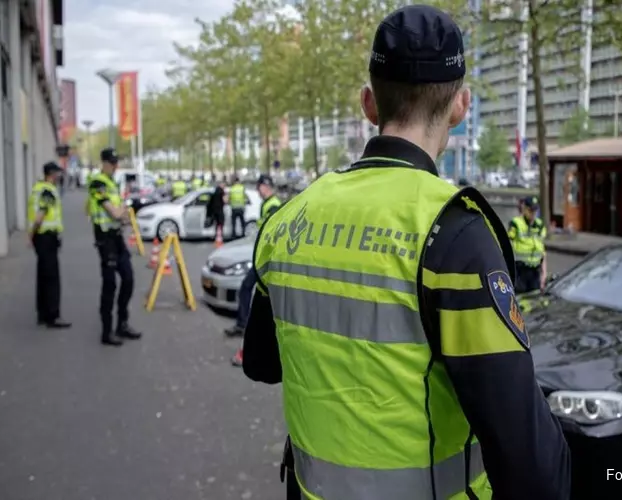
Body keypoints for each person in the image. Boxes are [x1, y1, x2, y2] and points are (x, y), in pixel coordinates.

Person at [241, 6, 570, 499]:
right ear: (460, 108)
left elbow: (262, 364)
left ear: (368, 104)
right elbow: (532, 465)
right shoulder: (455, 233)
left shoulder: (288, 219)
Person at [88, 148, 142, 346]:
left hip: (117, 238)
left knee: (128, 279)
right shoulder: (97, 182)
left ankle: (123, 324)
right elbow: (116, 213)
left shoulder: (111, 183)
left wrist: (122, 213)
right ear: (104, 163)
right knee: (110, 285)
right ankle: (107, 331)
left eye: (116, 162)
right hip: (105, 240)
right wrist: (122, 212)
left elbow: (123, 215)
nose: (115, 166)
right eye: (112, 162)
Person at [227, 174, 282, 364]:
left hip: (266, 259)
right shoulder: (268, 203)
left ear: (265, 187)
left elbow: (272, 232)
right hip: (264, 257)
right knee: (251, 290)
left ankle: (248, 329)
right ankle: (244, 324)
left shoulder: (273, 204)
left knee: (250, 289)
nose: (259, 191)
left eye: (260, 187)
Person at [27, 162, 71, 329]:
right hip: (46, 237)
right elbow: (39, 216)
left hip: (41, 237)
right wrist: (30, 236)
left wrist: (32, 236)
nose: (60, 176)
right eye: (58, 174)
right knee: (52, 278)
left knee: (43, 276)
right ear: (51, 174)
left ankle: (42, 314)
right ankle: (53, 316)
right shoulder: (47, 191)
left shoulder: (37, 187)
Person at [508, 196, 548, 293]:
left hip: (535, 271)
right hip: (520, 271)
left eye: (535, 210)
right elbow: (507, 246)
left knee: (535, 300)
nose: (533, 213)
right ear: (524, 209)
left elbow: (542, 251)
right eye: (530, 210)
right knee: (520, 300)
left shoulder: (540, 225)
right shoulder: (516, 223)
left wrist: (544, 273)